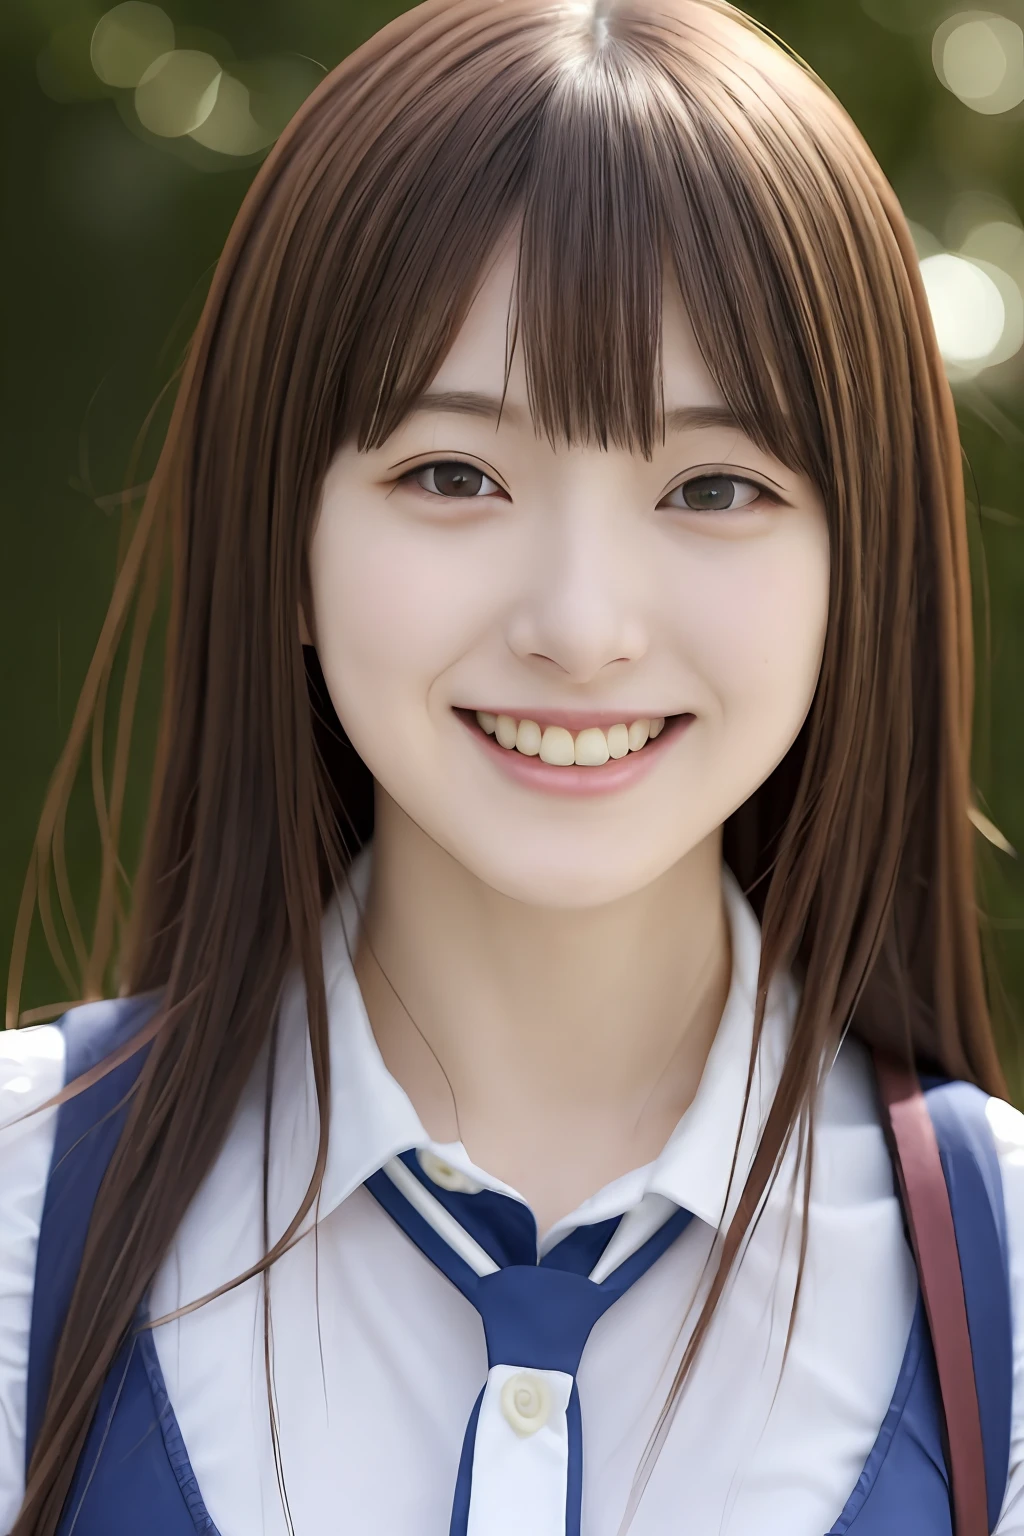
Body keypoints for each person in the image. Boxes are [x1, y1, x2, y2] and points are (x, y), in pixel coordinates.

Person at [2, 0, 1022, 1531]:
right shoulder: (21, 1211)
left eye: (714, 486)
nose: (580, 627)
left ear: (857, 568)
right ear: (280, 533)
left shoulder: (999, 1288)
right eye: (453, 473)